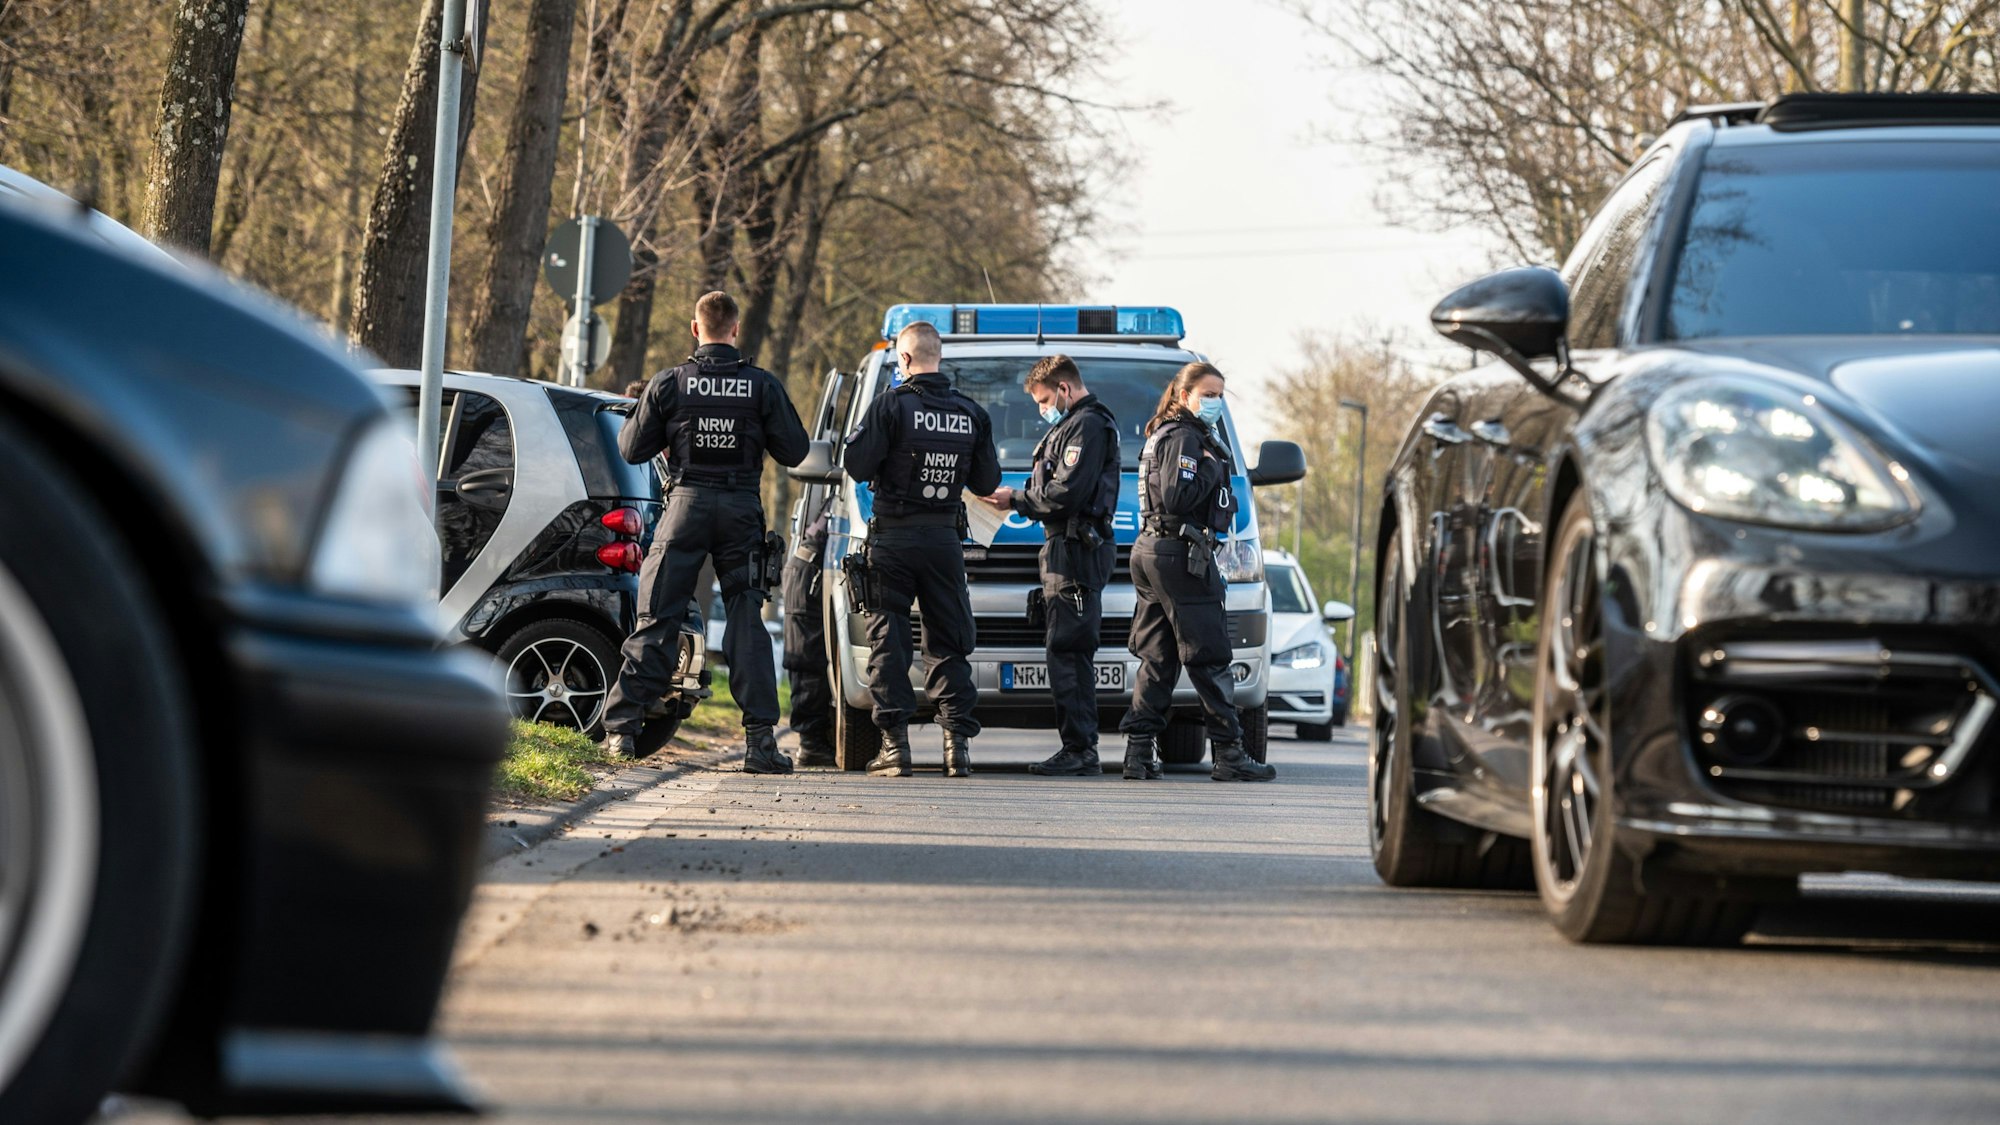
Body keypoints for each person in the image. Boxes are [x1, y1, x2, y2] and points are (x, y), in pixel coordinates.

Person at [600, 291, 810, 774]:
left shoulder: (670, 383)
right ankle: (760, 744)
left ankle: (621, 734)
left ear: (695, 330)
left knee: (657, 618)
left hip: (685, 506)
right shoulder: (761, 385)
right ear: (735, 331)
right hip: (740, 510)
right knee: (746, 622)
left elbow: (631, 449)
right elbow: (795, 451)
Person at [842, 320, 1001, 777]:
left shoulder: (890, 405)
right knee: (948, 642)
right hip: (944, 542)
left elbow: (855, 465)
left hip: (892, 539)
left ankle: (895, 748)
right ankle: (957, 750)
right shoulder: (971, 413)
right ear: (940, 357)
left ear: (905, 360)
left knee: (889, 644)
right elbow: (987, 482)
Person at [1120, 361, 1274, 782]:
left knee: (1158, 658)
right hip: (1180, 555)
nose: (1215, 402)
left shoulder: (1161, 433)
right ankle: (1229, 754)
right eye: (1208, 394)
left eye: (1221, 394)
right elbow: (1175, 494)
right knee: (1210, 656)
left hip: (1152, 551)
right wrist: (1208, 465)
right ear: (1184, 394)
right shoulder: (1187, 436)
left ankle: (1137, 753)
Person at [980, 354, 1120, 777]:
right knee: (1064, 646)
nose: (1042, 409)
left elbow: (1066, 493)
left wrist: (1016, 501)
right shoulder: (1071, 425)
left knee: (1070, 649)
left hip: (1076, 550)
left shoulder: (1087, 425)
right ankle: (1078, 746)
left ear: (1064, 388)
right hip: (1064, 548)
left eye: (1044, 400)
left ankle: (1080, 749)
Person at [782, 493, 835, 767]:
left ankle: (816, 738)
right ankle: (811, 741)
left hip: (817, 563)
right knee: (807, 656)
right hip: (812, 567)